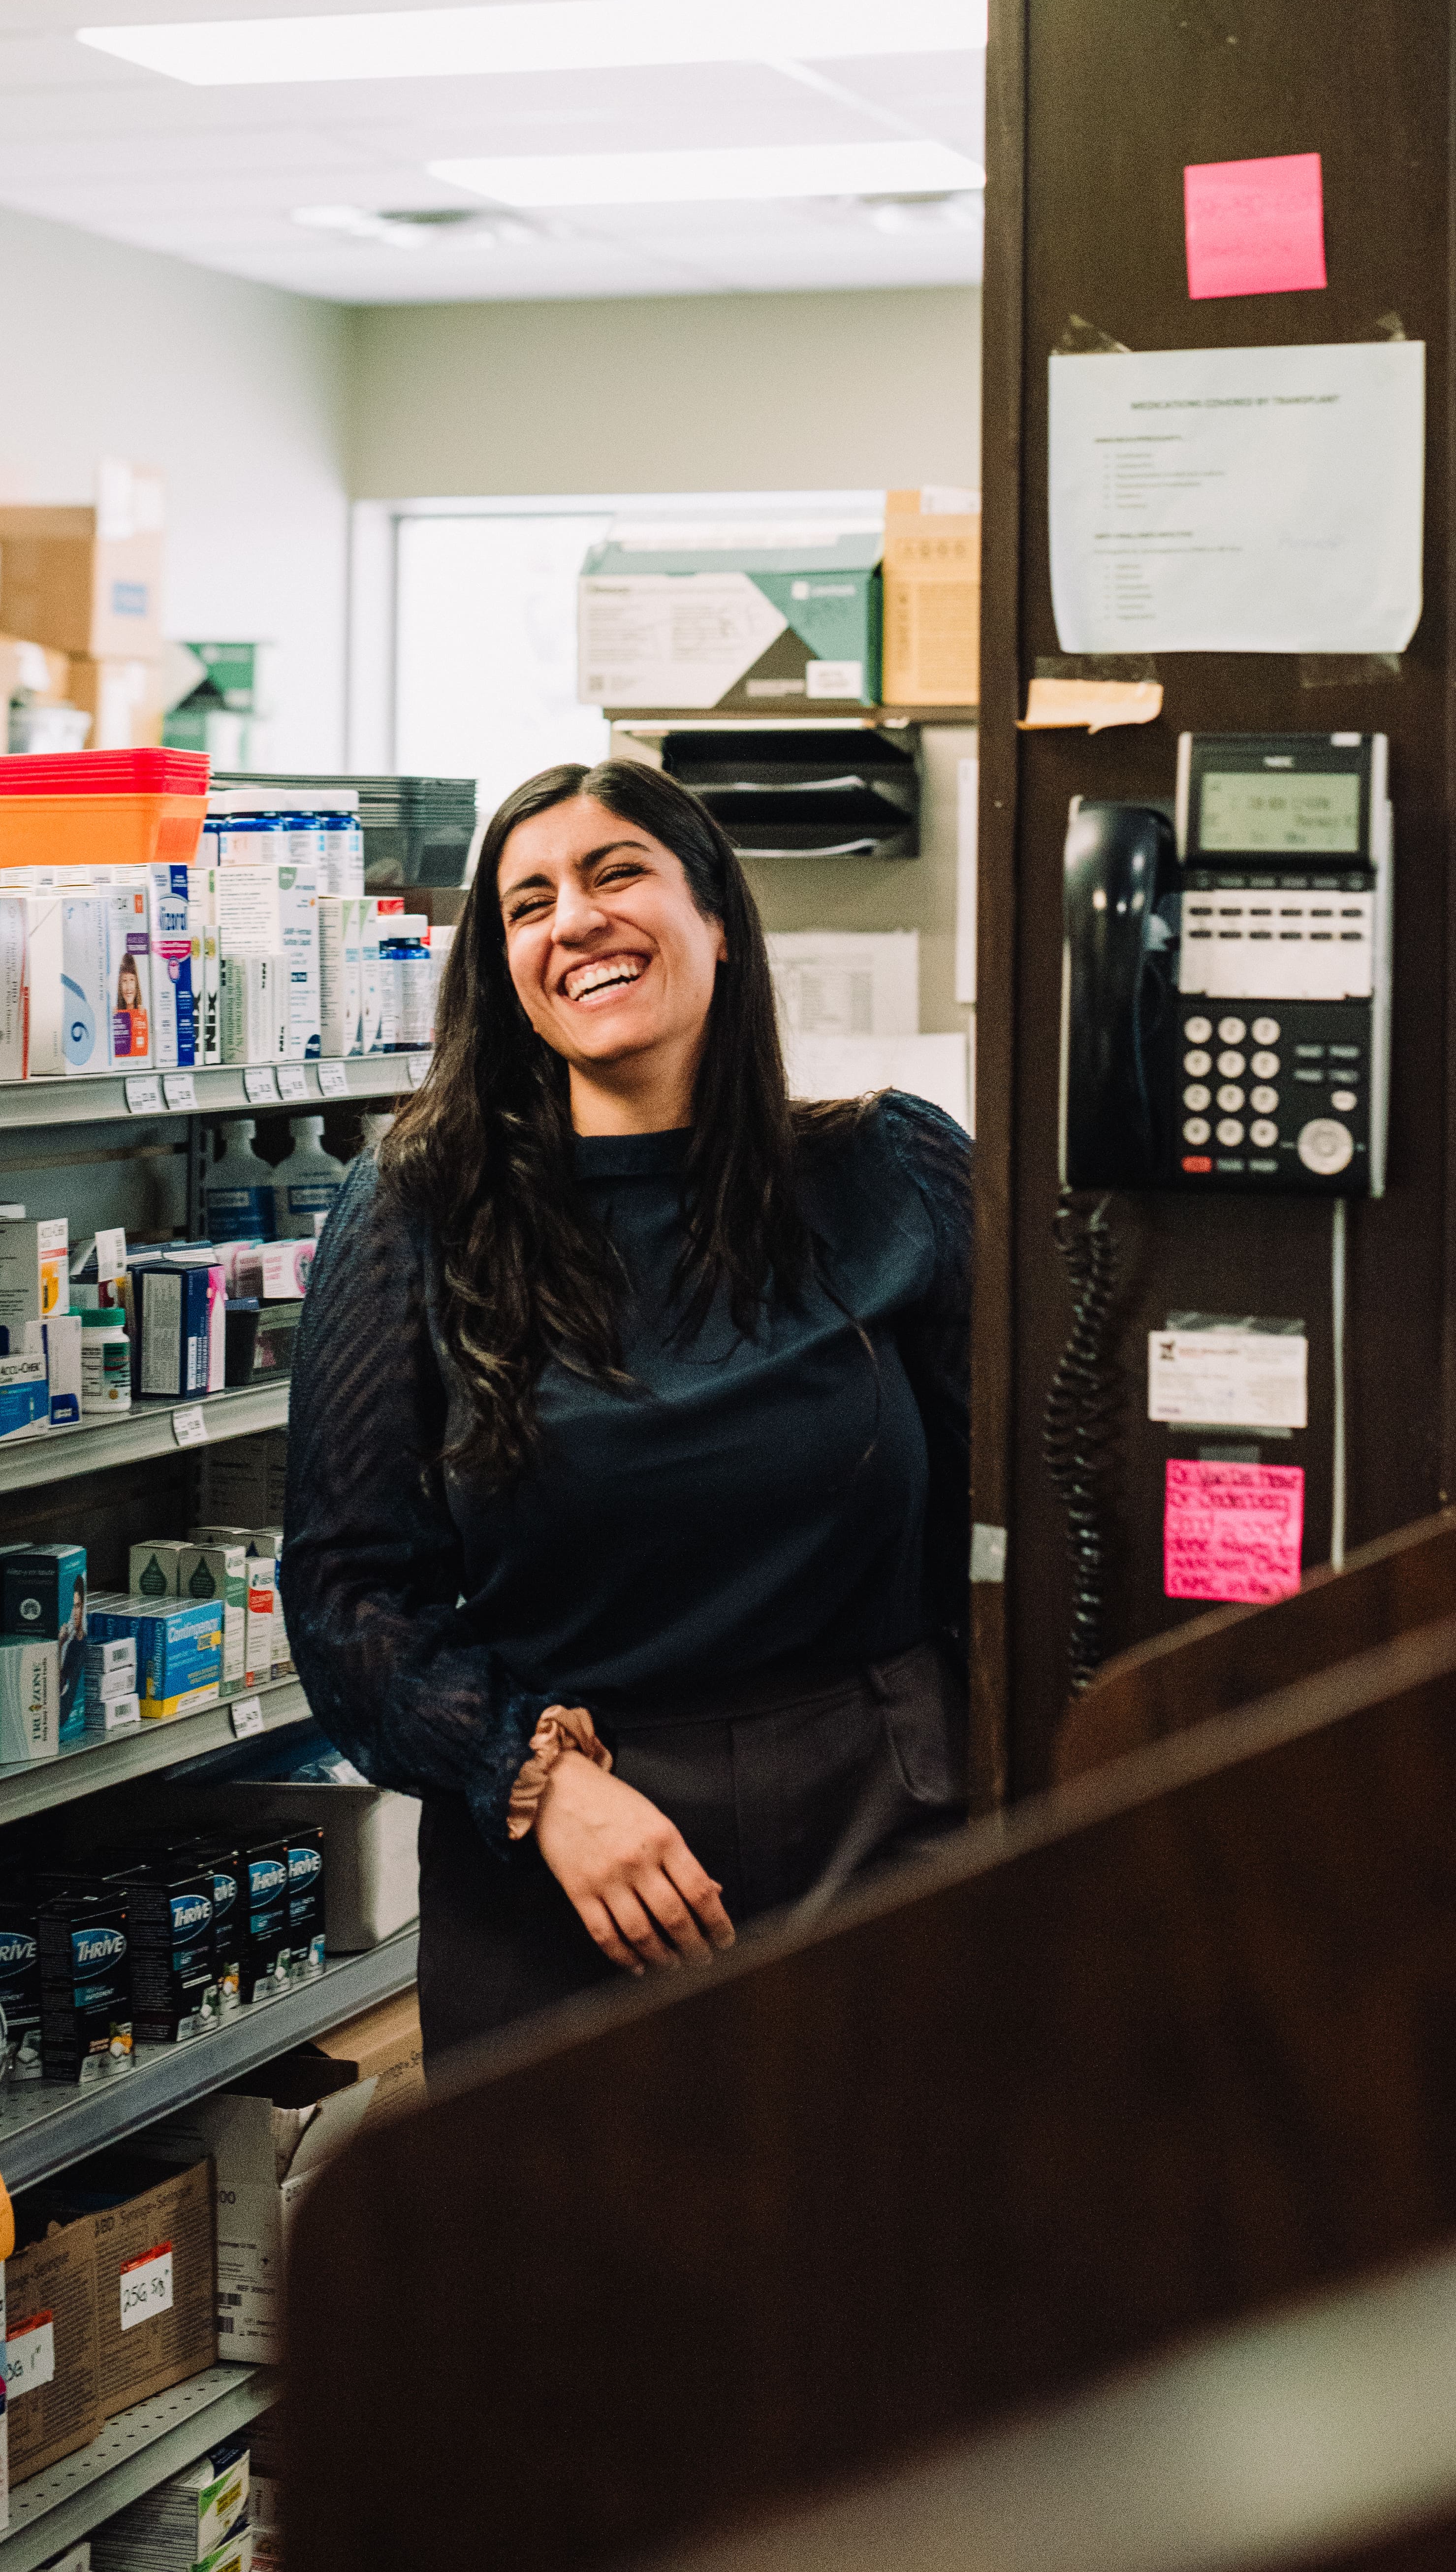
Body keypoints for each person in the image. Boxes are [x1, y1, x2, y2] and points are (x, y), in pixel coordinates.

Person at [281, 758, 973, 2061]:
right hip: (567, 1852)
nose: (575, 921)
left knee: (894, 2245)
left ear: (717, 919)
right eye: (527, 903)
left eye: (615, 875)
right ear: (505, 970)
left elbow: (1034, 1511)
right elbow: (344, 1597)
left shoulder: (892, 1172)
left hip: (886, 1814)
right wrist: (534, 1785)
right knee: (574, 2261)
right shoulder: (420, 1210)